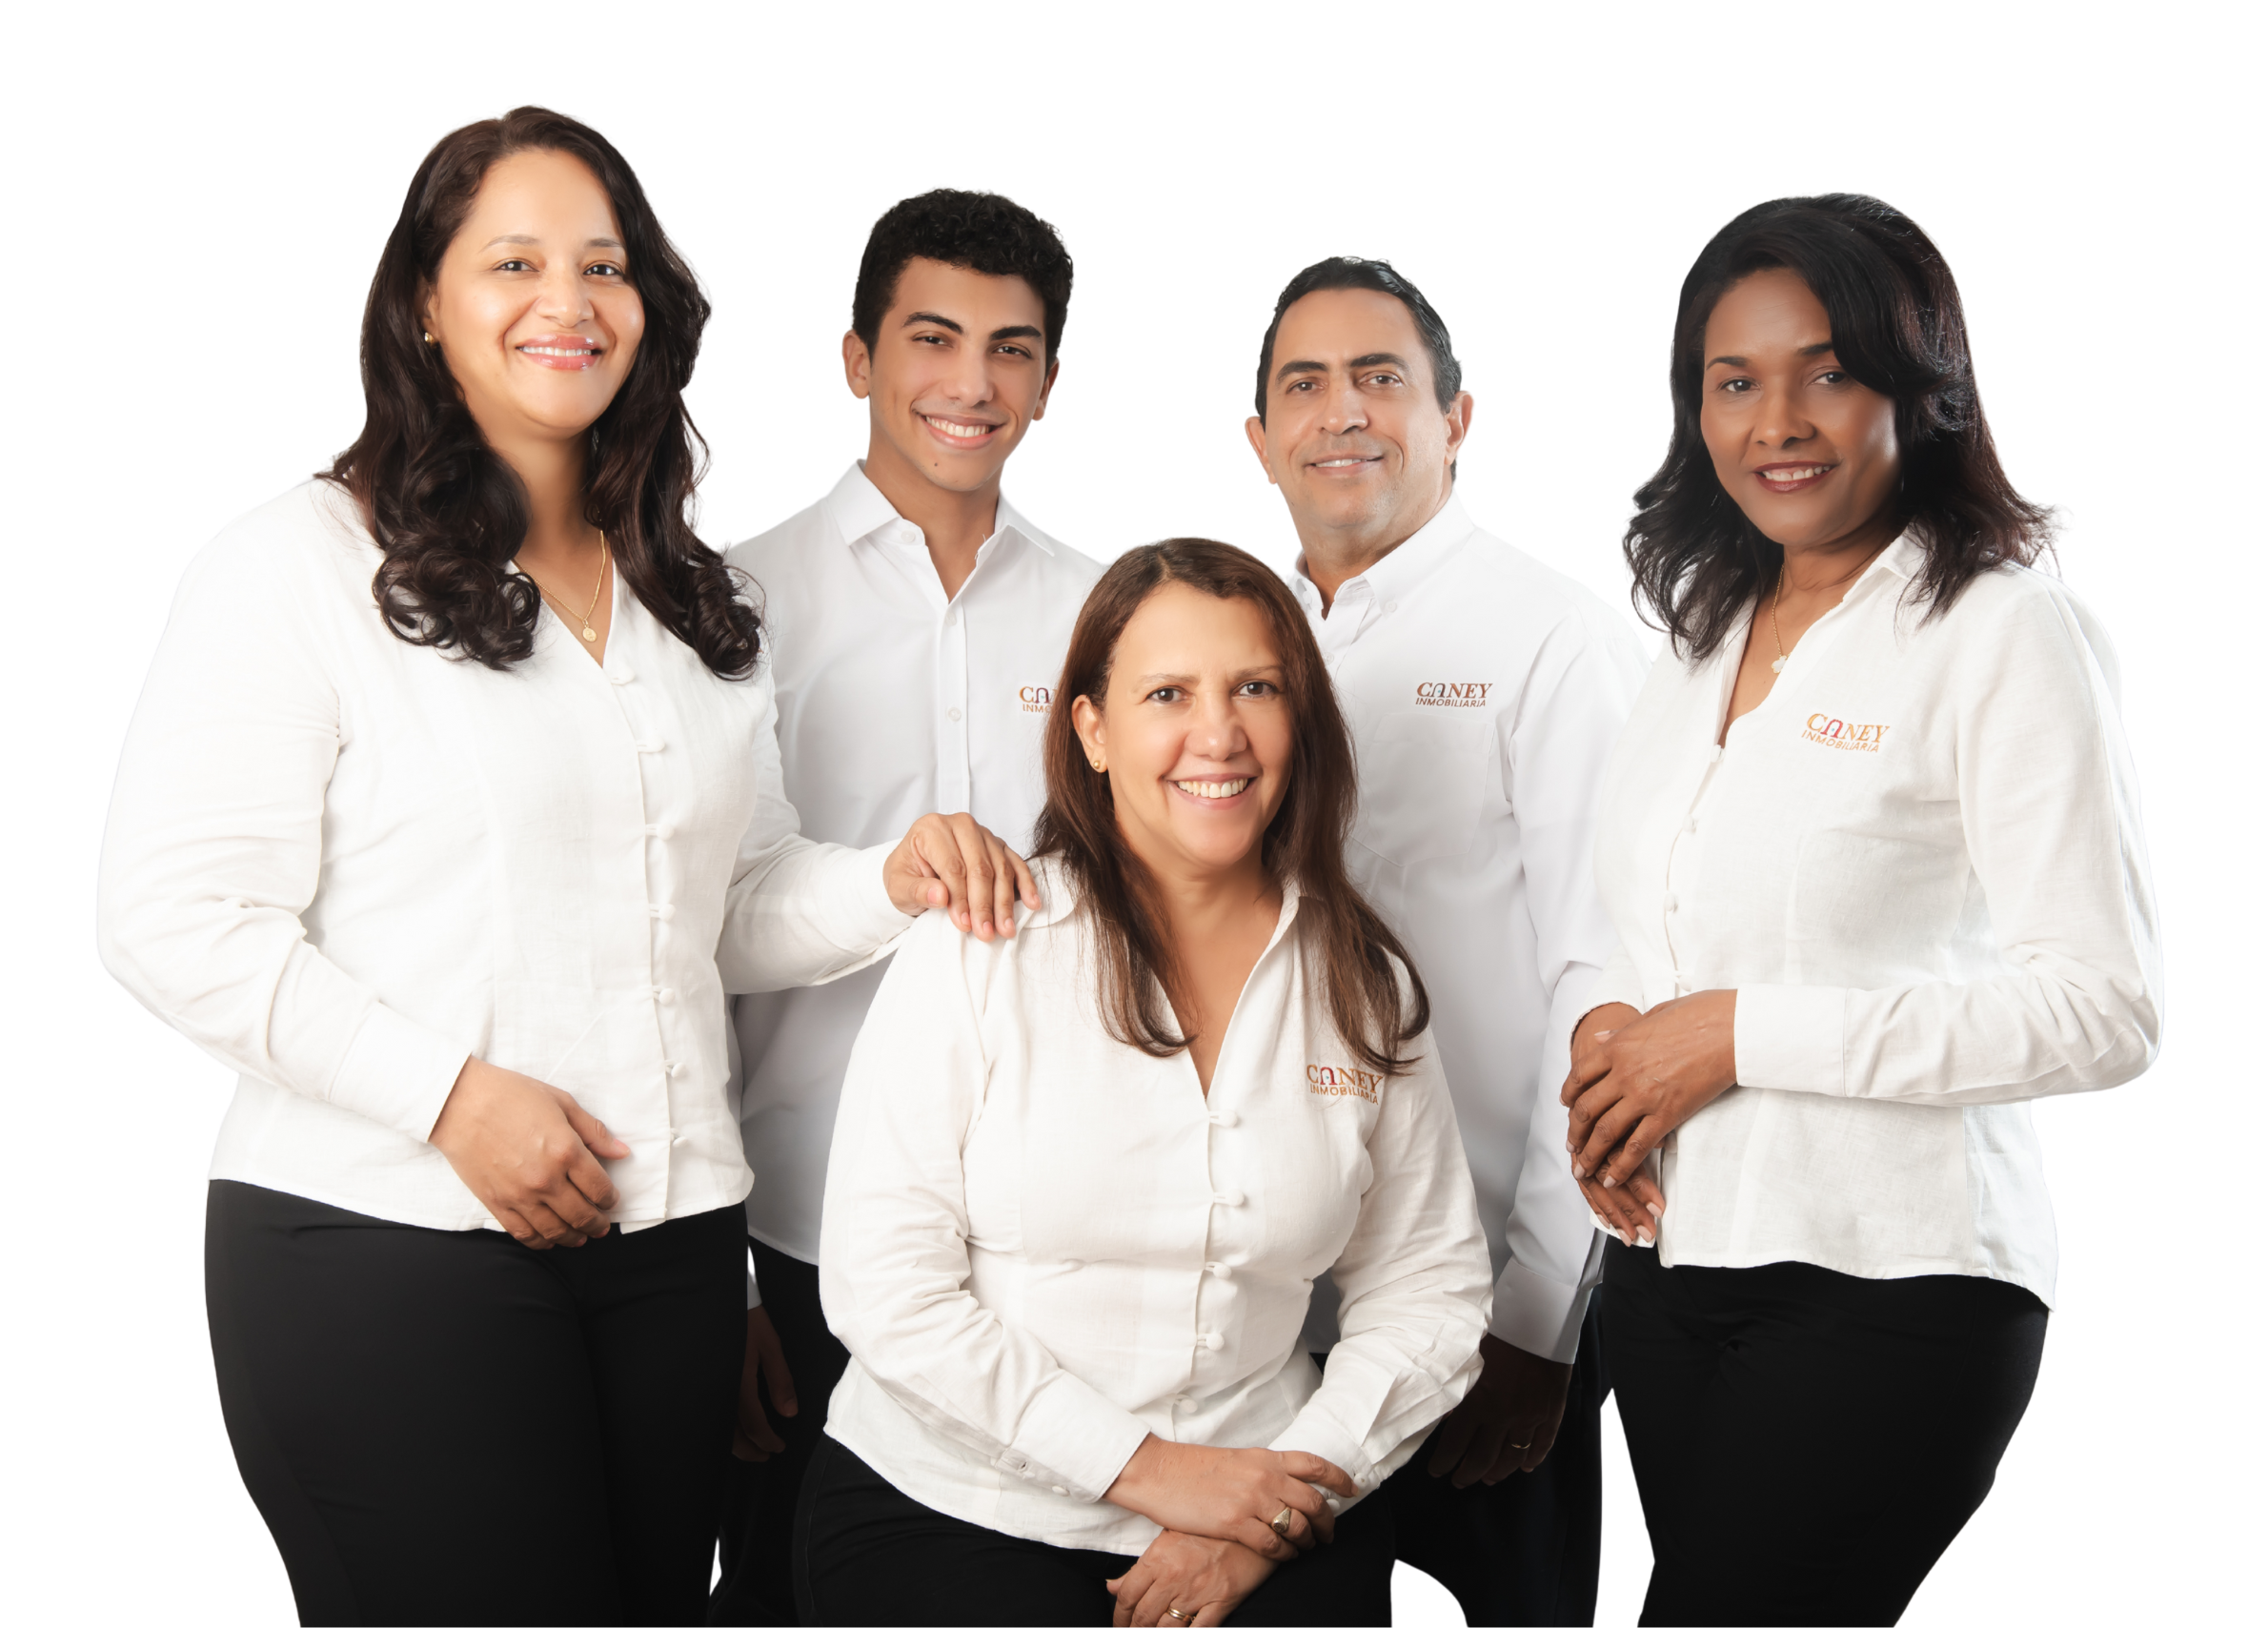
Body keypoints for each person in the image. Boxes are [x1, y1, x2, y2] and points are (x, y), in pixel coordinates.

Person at [93, 106, 1034, 1628]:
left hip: (671, 1250)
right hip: (386, 1243)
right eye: (513, 262)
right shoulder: (293, 564)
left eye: (604, 265)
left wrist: (895, 879)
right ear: (424, 302)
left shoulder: (694, 594)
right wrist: (452, 1100)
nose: (569, 301)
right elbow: (167, 916)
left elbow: (728, 908)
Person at [1564, 192, 2161, 1625]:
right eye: (1734, 381)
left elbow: (2105, 1011)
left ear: (1920, 387)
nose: (1777, 422)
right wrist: (1609, 1044)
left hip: (1893, 1283)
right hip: (1671, 1271)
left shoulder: (2007, 632)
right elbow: (1636, 919)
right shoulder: (1697, 635)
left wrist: (1732, 1036)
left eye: (1826, 372)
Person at [801, 538, 1494, 1627]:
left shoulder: (1364, 983)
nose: (1218, 735)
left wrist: (1269, 1507)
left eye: (1256, 688)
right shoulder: (982, 949)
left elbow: (1429, 1287)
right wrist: (1156, 1473)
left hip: (1261, 1492)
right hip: (959, 1501)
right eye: (1167, 693)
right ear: (1092, 729)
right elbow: (886, 1288)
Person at [708, 185, 1101, 1625]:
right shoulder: (730, 600)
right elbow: (687, 943)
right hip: (798, 1231)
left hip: (1041, 1240)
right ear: (857, 359)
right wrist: (724, 1282)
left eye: (1011, 350)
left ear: (1049, 385)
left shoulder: (1105, 614)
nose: (971, 384)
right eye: (933, 339)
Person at [1241, 255, 1650, 1624]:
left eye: (1381, 377)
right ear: (1260, 440)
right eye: (1306, 384)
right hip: (1257, 1304)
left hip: (1478, 1302)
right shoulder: (1232, 642)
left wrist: (1540, 1317)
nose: (1343, 411)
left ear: (1456, 419)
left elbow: (1610, 981)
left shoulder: (1558, 640)